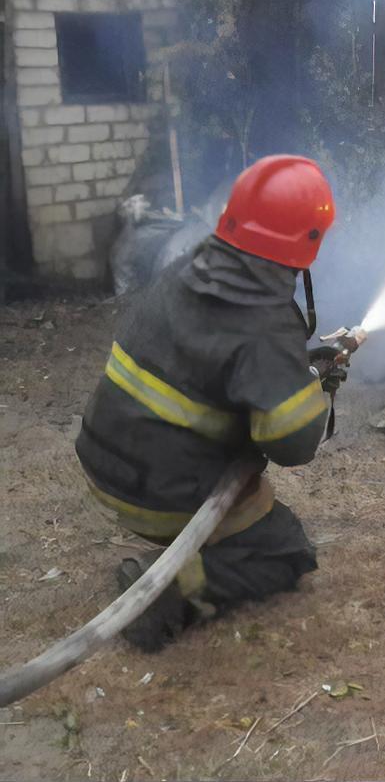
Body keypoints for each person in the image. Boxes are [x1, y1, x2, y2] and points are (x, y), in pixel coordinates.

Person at [76, 155, 341, 651]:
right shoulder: (265, 321)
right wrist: (313, 387)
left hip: (102, 459)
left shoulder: (192, 265)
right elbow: (290, 443)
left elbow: (223, 358)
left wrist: (294, 368)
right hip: (153, 494)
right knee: (284, 551)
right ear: (306, 240)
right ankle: (167, 595)